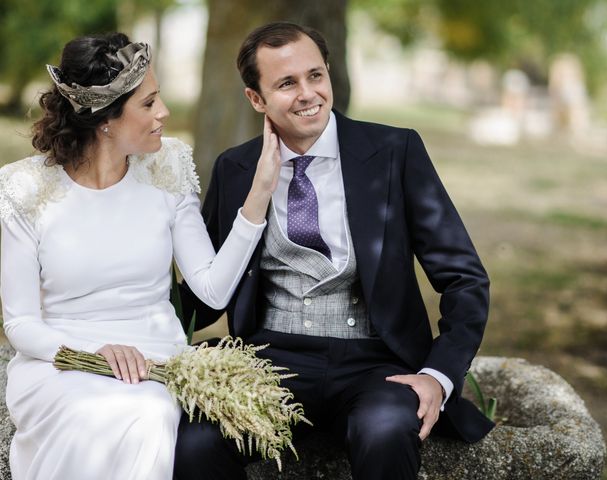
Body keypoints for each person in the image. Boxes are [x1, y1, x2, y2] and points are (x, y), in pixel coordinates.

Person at [175, 22, 494, 480]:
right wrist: (120, 328)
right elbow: (208, 294)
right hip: (267, 362)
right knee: (195, 443)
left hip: (375, 363)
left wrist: (438, 376)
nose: (308, 94)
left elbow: (464, 278)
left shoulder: (393, 150)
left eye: (315, 75)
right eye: (287, 83)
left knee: (384, 430)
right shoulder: (235, 168)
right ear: (256, 99)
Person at [0, 32, 279, 480]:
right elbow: (18, 323)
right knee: (114, 415)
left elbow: (213, 287)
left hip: (155, 363)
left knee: (150, 412)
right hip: (60, 364)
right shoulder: (26, 189)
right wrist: (95, 352)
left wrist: (259, 196)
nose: (164, 113)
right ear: (105, 118)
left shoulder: (168, 167)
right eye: (148, 104)